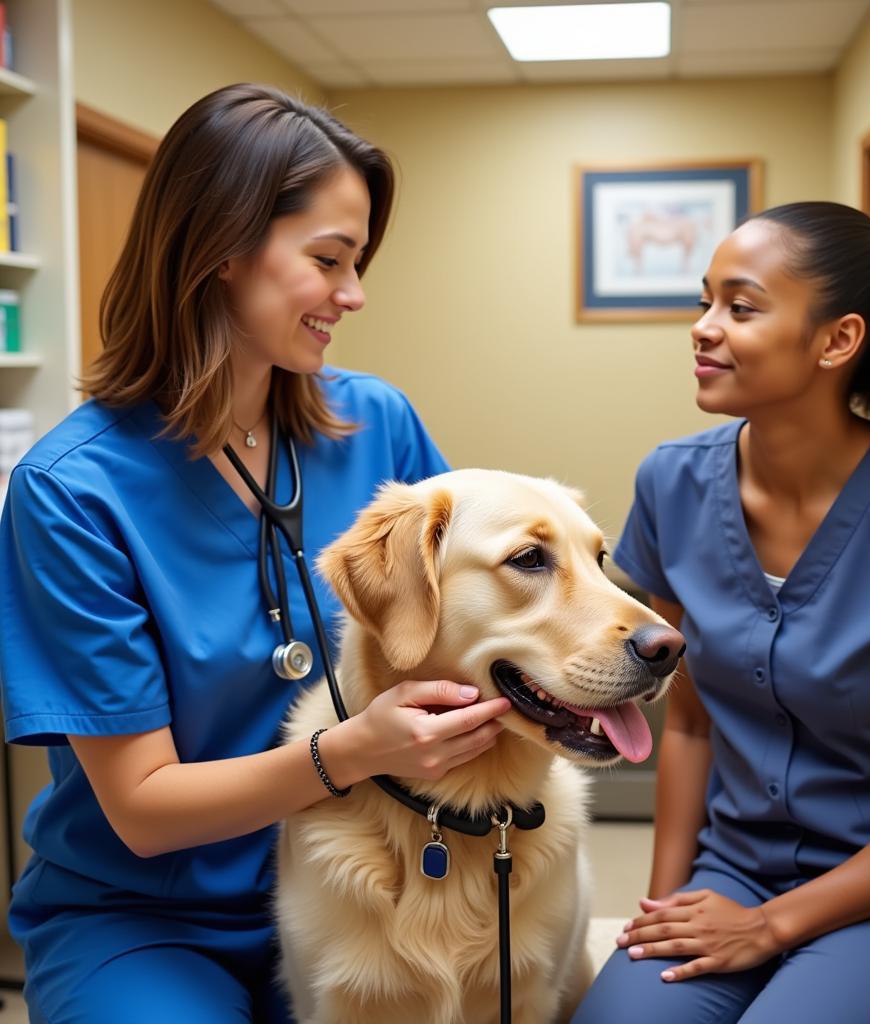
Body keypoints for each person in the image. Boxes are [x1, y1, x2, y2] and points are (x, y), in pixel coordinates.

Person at [0, 83, 510, 1023]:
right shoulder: (72, 492)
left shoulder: (376, 425)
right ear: (223, 247)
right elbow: (144, 808)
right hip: (152, 915)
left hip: (365, 873)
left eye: (358, 263)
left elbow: (469, 628)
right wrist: (353, 750)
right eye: (329, 260)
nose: (353, 295)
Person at [573, 201, 870, 1024]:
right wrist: (661, 914)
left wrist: (773, 926)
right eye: (704, 301)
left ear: (837, 340)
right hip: (735, 871)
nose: (704, 329)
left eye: (740, 307)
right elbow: (689, 727)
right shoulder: (671, 485)